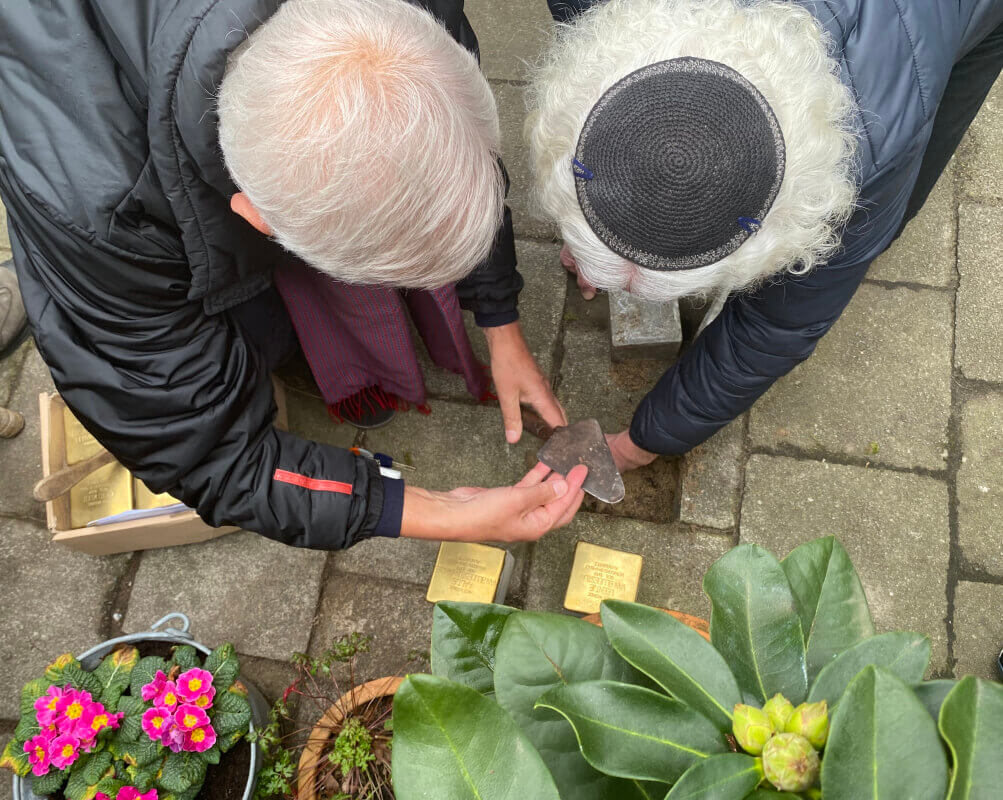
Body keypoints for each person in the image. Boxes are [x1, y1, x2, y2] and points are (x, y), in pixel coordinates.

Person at [0, 0, 586, 550]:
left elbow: (456, 162)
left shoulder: (412, 16)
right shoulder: (99, 217)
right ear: (255, 216)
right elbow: (211, 457)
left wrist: (500, 318)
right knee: (257, 333)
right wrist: (433, 511)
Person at [529, 0, 1003, 471]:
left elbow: (772, 330)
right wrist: (598, 220)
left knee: (889, 202)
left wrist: (644, 441)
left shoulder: (870, 147)